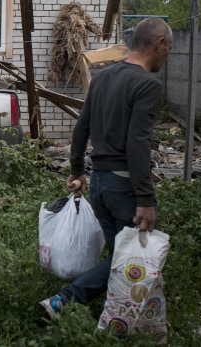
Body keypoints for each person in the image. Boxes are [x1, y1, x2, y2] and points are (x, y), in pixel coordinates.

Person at [39, 17, 173, 319]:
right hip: (124, 187)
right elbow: (137, 144)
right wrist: (145, 200)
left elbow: (81, 127)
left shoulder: (103, 77)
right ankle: (64, 300)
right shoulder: (148, 84)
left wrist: (77, 170)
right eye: (170, 48)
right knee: (127, 260)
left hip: (99, 182)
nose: (169, 54)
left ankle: (125, 311)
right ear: (159, 43)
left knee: (120, 254)